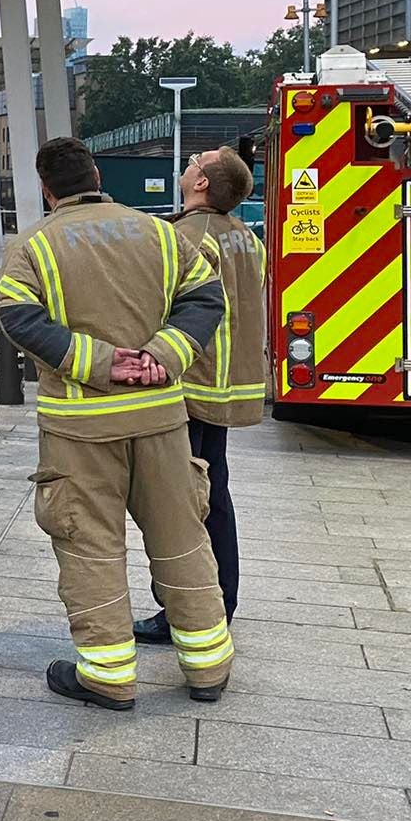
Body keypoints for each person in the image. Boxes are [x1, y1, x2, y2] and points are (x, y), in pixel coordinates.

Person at [0, 137, 234, 710]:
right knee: (182, 538)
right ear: (97, 174)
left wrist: (101, 364)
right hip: (161, 420)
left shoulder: (33, 244)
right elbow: (206, 300)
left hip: (80, 428)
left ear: (46, 189)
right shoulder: (160, 233)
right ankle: (208, 667)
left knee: (91, 549)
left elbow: (17, 317)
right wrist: (161, 356)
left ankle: (107, 676)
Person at [134, 147, 266, 645]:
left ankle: (184, 611)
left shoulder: (184, 237)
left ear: (203, 183)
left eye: (195, 160)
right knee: (216, 497)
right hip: (228, 390)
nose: (187, 163)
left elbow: (156, 309)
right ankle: (221, 602)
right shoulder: (245, 239)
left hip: (188, 387)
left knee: (180, 503)